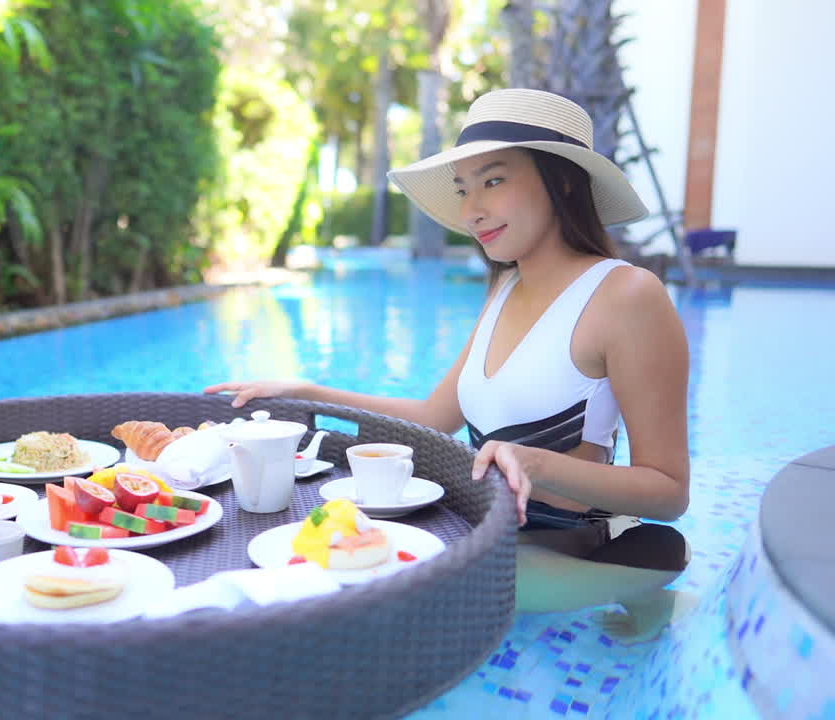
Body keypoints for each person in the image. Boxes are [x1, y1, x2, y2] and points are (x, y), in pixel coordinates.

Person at [206, 88, 694, 643]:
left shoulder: (626, 295)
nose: (471, 210)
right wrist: (306, 390)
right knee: (317, 548)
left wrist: (539, 466)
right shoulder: (507, 287)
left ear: (562, 180)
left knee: (399, 590)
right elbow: (433, 416)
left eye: (493, 180)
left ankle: (637, 587)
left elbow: (669, 492)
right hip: (486, 532)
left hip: (561, 544)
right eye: (464, 189)